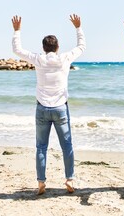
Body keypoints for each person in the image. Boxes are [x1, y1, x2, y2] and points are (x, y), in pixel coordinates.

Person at [11, 14, 86, 195]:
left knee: (41, 147)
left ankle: (41, 183)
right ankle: (69, 179)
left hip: (42, 108)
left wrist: (17, 30)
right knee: (67, 146)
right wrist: (78, 27)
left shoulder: (38, 59)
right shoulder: (65, 58)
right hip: (61, 108)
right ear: (57, 47)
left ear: (43, 48)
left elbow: (17, 50)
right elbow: (82, 47)